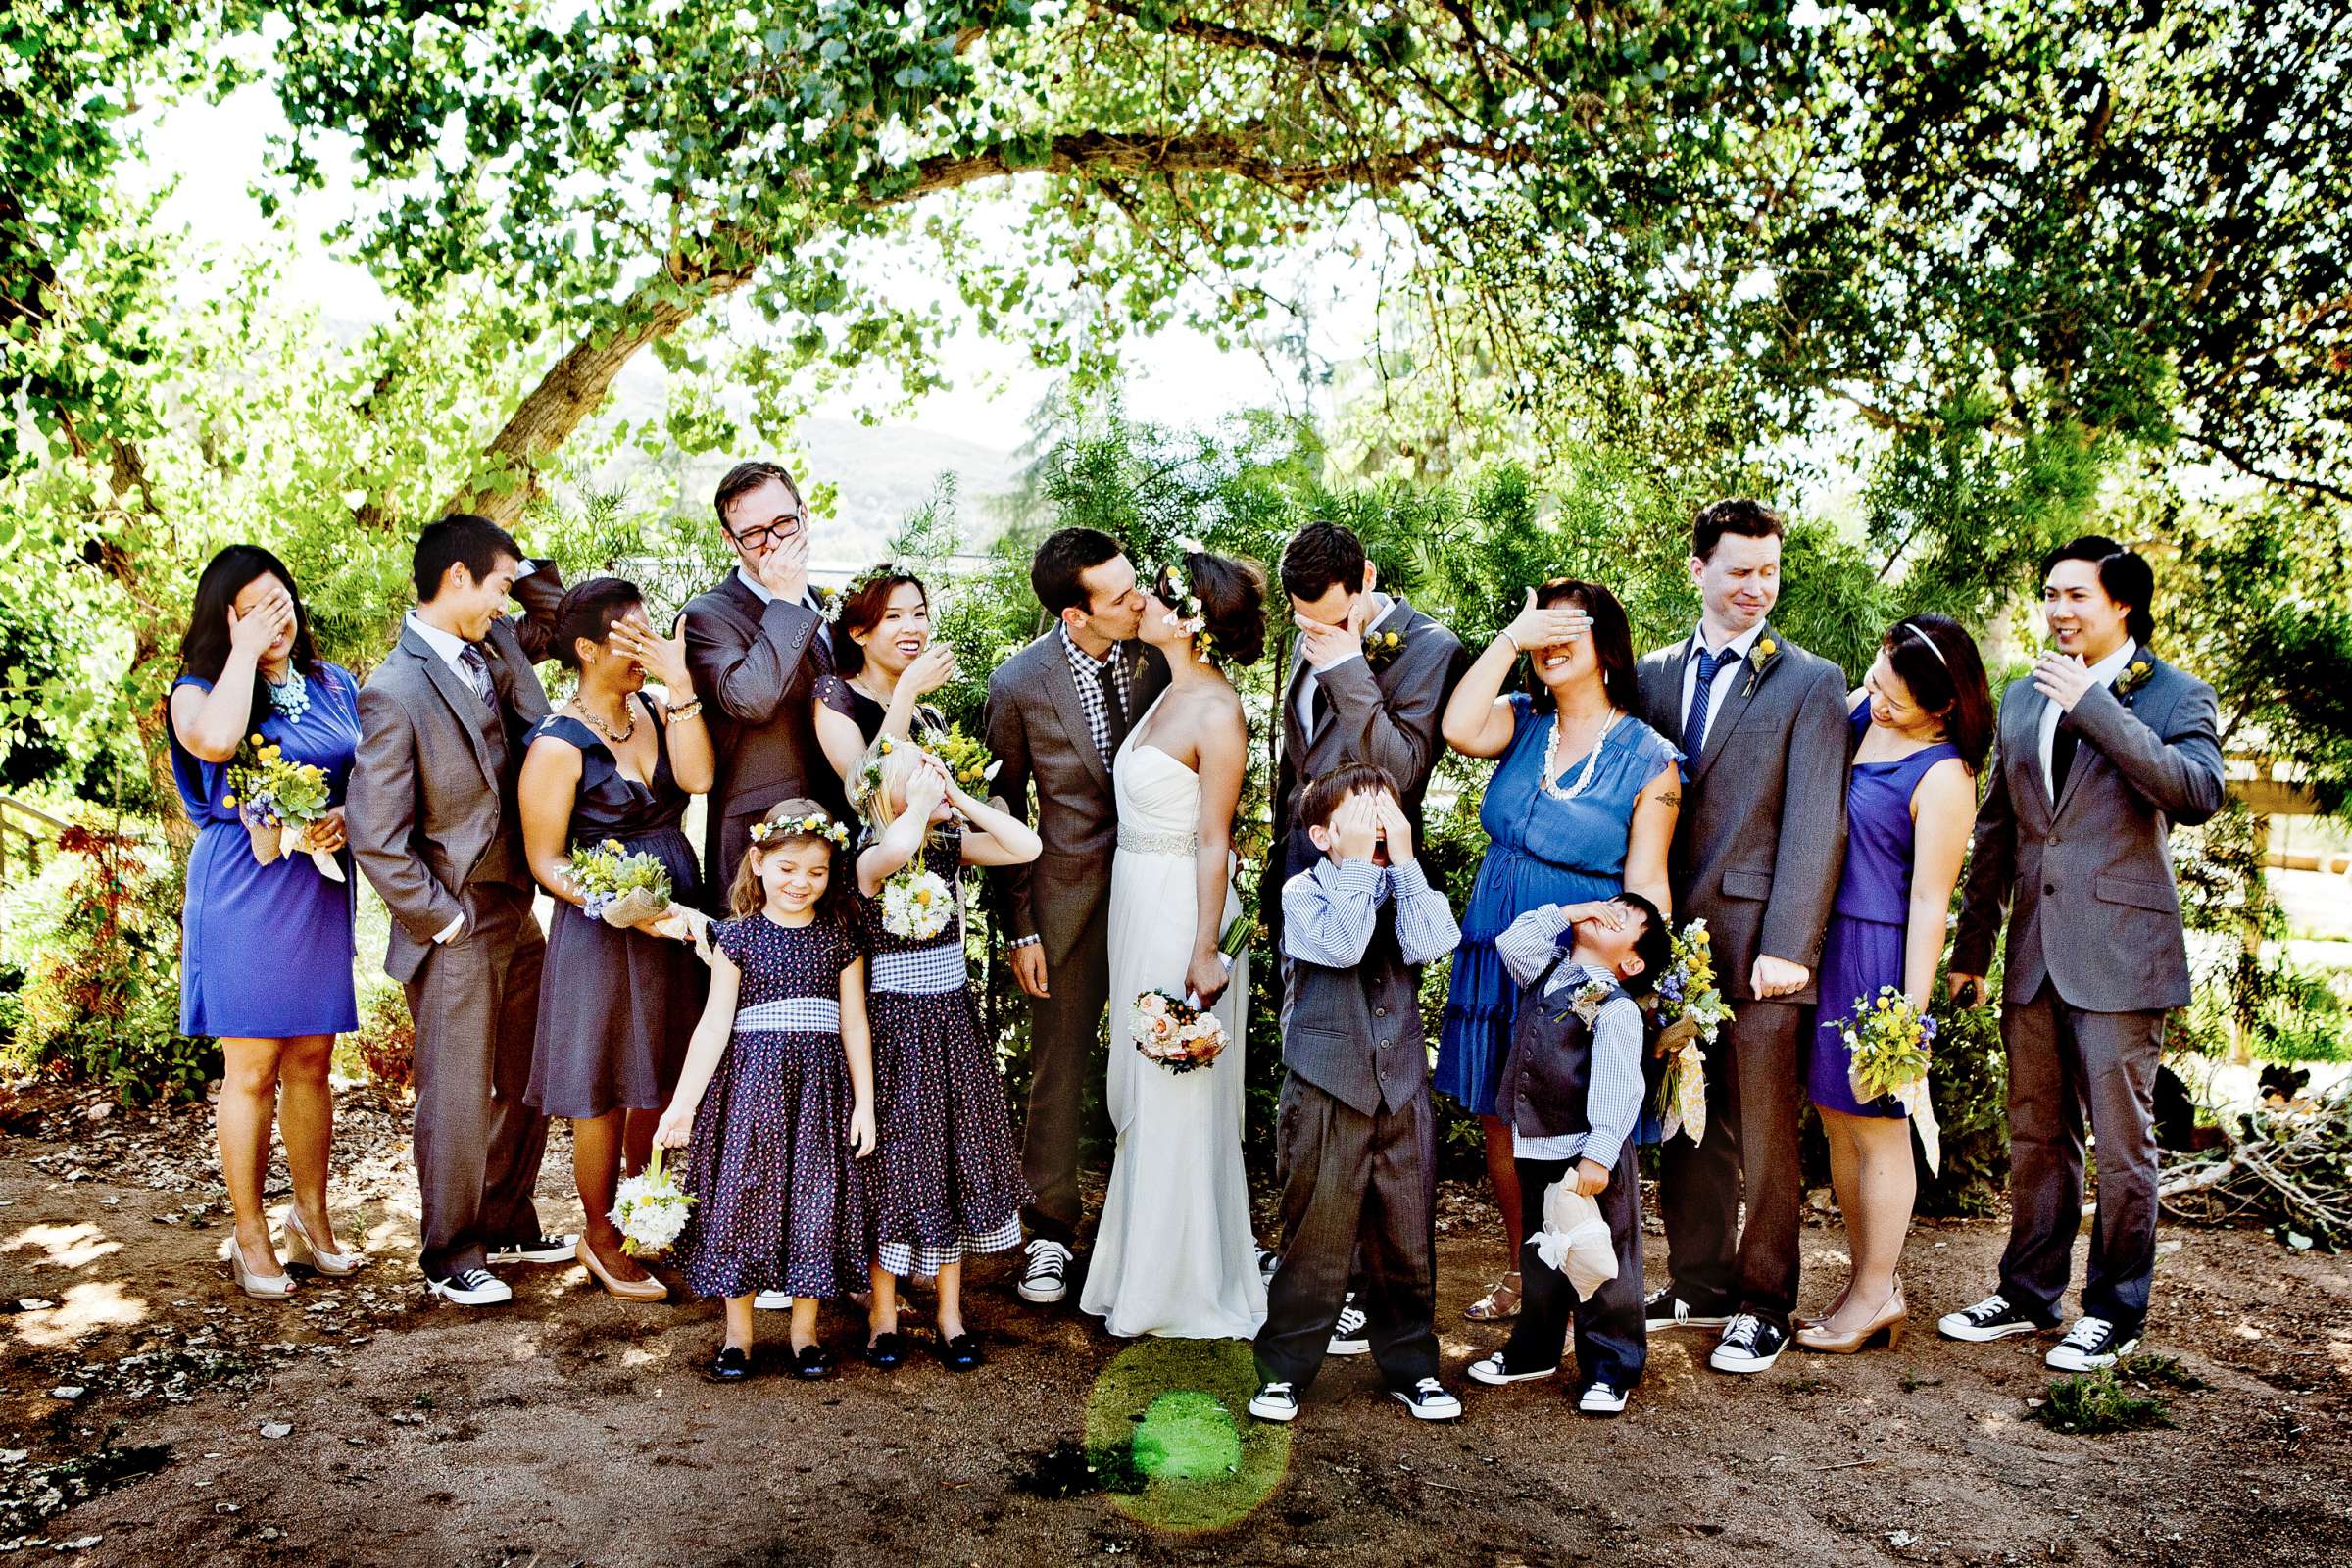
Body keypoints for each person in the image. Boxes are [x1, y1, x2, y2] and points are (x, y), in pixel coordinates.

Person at [1941, 537, 2225, 1371]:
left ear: (2122, 604)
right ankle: (2028, 1293)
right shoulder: (2027, 699)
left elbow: (2196, 792)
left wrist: (2097, 707)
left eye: (2077, 597)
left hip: (2123, 958)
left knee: (2121, 1139)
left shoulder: (2176, 694)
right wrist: (1973, 949)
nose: (2060, 611)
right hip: (2032, 954)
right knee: (2035, 1135)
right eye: (2051, 596)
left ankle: (2115, 1311)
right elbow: (1998, 828)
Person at [1631, 498, 1850, 1374]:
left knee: (1763, 1128)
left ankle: (1762, 1300)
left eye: (1769, 571)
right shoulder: (1646, 675)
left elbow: (1815, 822)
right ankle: (1696, 1281)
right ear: (1698, 570)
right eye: (1740, 571)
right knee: (1686, 1112)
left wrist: (1791, 941)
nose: (1757, 588)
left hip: (1764, 938)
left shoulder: (1810, 681)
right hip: (1667, 935)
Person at [1436, 579, 1681, 1323]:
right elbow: (1456, 727)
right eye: (1539, 628)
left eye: (1563, 628)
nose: (1548, 642)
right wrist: (1512, 636)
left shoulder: (1652, 761)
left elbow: (1647, 882)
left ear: (1606, 646)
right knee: (1501, 1112)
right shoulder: (1519, 722)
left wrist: (1644, 991)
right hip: (1498, 937)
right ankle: (1526, 1269)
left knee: (1567, 1111)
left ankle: (1589, 1281)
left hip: (1577, 958)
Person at [349, 514, 575, 1307]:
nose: (505, 603)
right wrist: (439, 919)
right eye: (497, 587)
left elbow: (553, 612)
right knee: (456, 1087)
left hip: (517, 903)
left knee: (527, 1069)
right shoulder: (392, 689)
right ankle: (450, 1253)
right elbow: (376, 837)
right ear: (456, 580)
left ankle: (506, 1221)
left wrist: (519, 566)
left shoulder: (497, 647)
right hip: (455, 915)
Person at [1080, 546, 1269, 1340]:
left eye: (1160, 595)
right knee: (1139, 1088)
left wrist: (1203, 951)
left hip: (1182, 909)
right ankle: (1134, 1271)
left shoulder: (1218, 710)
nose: (1144, 605)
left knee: (1174, 1082)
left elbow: (1214, 839)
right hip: (1137, 898)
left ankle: (1181, 1285)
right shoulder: (1165, 691)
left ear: (1194, 621)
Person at [169, 546, 365, 1298]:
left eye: (278, 601)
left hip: (316, 883)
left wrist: (346, 816)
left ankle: (311, 1222)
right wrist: (244, 653)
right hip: (244, 888)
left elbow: (370, 771)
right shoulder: (195, 689)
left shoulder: (332, 683)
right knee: (252, 1068)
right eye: (251, 607)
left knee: (313, 1058)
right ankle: (249, 1233)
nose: (272, 618)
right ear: (223, 617)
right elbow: (216, 743)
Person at [981, 526, 1168, 1305]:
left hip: (1157, 893)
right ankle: (1050, 1234)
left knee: (1165, 1060)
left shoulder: (1158, 658)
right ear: (1075, 613)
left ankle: (1151, 1233)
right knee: (1059, 1071)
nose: (1139, 601)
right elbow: (1002, 807)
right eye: (1120, 595)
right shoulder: (1019, 683)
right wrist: (1019, 926)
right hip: (1063, 908)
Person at [516, 578, 714, 1303]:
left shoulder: (661, 710)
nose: (644, 645)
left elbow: (697, 777)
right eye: (628, 636)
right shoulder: (557, 744)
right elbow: (546, 859)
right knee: (601, 1086)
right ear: (586, 648)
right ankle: (599, 1236)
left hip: (676, 916)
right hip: (603, 932)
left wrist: (680, 683)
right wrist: (615, 903)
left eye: (647, 631)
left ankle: (646, 1220)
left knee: (659, 1077)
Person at [1796, 615, 1990, 1354]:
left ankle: (1878, 1289)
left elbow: (1929, 903)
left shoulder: (1945, 773)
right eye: (1878, 681)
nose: (1878, 703)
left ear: (1942, 708)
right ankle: (1866, 1280)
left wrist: (1908, 1015)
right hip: (1825, 940)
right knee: (1836, 1116)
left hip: (1879, 957)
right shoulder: (1863, 706)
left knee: (1880, 1126)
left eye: (1899, 701)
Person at [1250, 763, 1464, 1425]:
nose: (1377, 824)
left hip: (1400, 1091)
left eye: (1386, 812)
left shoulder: (1404, 886)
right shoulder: (1301, 893)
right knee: (1314, 1235)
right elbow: (1342, 947)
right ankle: (1284, 1370)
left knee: (1406, 1238)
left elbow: (1434, 942)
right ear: (1321, 833)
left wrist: (1400, 861)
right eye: (1360, 813)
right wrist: (1355, 868)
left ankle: (1412, 1366)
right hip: (1324, 1088)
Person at [655, 799, 874, 1383]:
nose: (801, 882)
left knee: (815, 1202)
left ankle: (805, 1334)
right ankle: (738, 1337)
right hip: (751, 1092)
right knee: (742, 1200)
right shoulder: (737, 939)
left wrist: (866, 1105)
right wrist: (683, 1104)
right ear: (757, 863)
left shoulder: (839, 940)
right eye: (787, 869)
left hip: (820, 1096)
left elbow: (855, 1024)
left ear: (831, 875)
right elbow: (714, 1025)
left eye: (817, 872)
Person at [852, 742, 1041, 1372]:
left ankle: (950, 1313)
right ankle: (883, 1312)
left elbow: (1026, 847)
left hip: (950, 1024)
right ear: (882, 793)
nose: (934, 777)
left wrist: (959, 801)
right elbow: (897, 850)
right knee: (895, 1165)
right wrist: (921, 804)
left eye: (938, 770)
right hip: (893, 1031)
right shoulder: (870, 856)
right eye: (919, 773)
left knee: (951, 1157)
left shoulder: (947, 845)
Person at [1466, 894, 1672, 1416]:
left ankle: (1611, 1366)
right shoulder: (1549, 971)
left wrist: (1600, 1154)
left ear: (1631, 962)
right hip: (1536, 1145)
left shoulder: (1615, 1006)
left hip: (1585, 1154)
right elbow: (1513, 942)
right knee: (1543, 1253)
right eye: (1611, 905)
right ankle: (1535, 1349)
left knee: (1601, 1261)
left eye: (1623, 918)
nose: (1609, 913)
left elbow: (1619, 1085)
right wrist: (1569, 912)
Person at [1271, 520, 1468, 926]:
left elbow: (1402, 773)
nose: (1322, 633)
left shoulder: (1433, 649)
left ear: (1368, 576)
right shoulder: (1309, 632)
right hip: (1296, 873)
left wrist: (1347, 667)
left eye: (1338, 621)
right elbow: (1299, 761)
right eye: (1308, 622)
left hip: (1371, 885)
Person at [682, 460, 850, 910]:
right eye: (754, 533)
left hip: (841, 833)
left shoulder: (828, 602)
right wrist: (786, 600)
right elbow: (752, 700)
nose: (773, 543)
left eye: (783, 524)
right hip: (759, 845)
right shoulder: (706, 616)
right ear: (729, 540)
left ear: (805, 515)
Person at [814, 565, 959, 779]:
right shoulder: (836, 697)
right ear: (858, 633)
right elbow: (866, 787)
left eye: (919, 614)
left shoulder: (929, 716)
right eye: (893, 617)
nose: (911, 628)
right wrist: (907, 690)